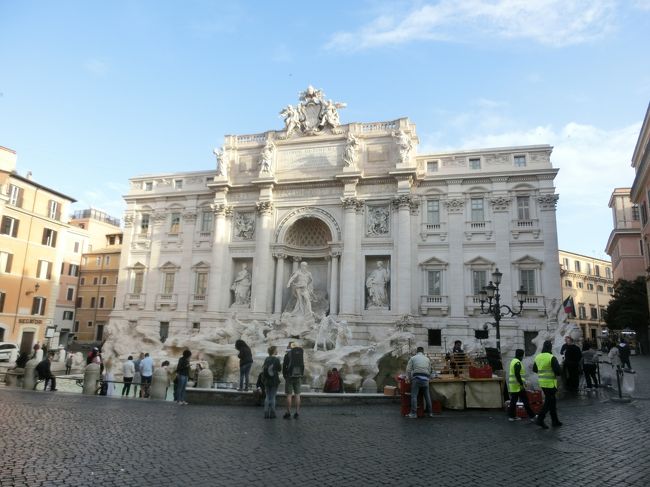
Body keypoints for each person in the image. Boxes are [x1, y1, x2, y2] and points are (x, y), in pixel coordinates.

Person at [533, 340, 563, 429]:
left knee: (552, 401)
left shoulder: (538, 357)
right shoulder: (551, 357)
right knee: (549, 402)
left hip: (542, 382)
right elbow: (558, 372)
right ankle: (540, 419)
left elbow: (535, 369)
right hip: (550, 383)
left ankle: (555, 420)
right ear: (550, 347)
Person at [507, 349, 536, 421]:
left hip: (513, 385)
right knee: (525, 401)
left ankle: (511, 416)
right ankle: (532, 416)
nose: (522, 357)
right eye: (522, 356)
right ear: (521, 355)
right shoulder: (517, 363)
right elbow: (517, 375)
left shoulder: (513, 361)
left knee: (513, 401)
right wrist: (521, 384)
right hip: (518, 386)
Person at [406, 347, 434, 418]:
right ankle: (430, 413)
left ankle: (413, 413)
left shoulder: (413, 358)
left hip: (417, 378)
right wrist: (429, 378)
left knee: (414, 396)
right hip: (426, 379)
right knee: (427, 396)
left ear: (417, 351)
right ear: (423, 351)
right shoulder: (427, 359)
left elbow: (408, 370)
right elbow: (430, 370)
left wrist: (410, 379)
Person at [282, 341, 305, 419]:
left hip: (289, 376)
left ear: (289, 347)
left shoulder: (287, 355)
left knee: (289, 395)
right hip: (298, 376)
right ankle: (297, 412)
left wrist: (285, 376)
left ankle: (288, 412)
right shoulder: (299, 355)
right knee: (297, 395)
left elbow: (284, 367)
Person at [261, 345, 282, 418]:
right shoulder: (276, 359)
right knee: (273, 396)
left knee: (267, 396)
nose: (277, 351)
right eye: (276, 350)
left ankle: (266, 413)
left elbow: (264, 369)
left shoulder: (266, 359)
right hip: (274, 380)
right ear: (274, 351)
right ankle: (273, 413)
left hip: (267, 380)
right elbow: (279, 369)